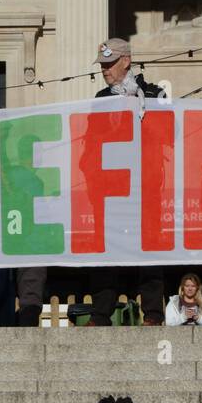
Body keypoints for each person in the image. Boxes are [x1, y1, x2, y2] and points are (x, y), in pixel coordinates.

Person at [76, 39, 166, 326]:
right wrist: (91, 176)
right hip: (110, 188)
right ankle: (101, 313)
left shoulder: (152, 93)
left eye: (110, 63)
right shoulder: (101, 98)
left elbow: (170, 134)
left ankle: (152, 313)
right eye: (102, 64)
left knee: (149, 248)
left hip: (145, 185)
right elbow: (90, 144)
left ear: (126, 61)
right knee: (106, 250)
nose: (104, 70)